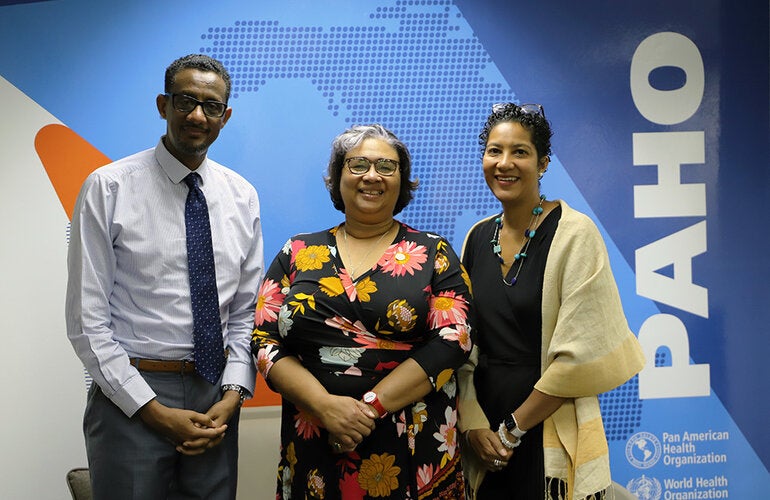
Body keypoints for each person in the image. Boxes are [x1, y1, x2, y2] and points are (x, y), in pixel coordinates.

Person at [66, 54, 264, 499]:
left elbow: (244, 312)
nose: (197, 115)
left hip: (215, 397)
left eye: (211, 106)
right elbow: (87, 322)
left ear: (225, 117)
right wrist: (152, 410)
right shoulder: (109, 186)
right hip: (131, 396)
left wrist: (232, 394)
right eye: (185, 101)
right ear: (163, 104)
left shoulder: (242, 196)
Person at [252, 124, 473, 499]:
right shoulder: (298, 252)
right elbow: (264, 341)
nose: (372, 175)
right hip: (314, 440)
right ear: (338, 178)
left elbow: (454, 340)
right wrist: (326, 407)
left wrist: (368, 409)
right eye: (358, 165)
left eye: (386, 167)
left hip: (413, 444)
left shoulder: (433, 252)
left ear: (402, 182)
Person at [457, 103, 645, 500]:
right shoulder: (476, 237)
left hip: (545, 430)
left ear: (543, 164)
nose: (504, 163)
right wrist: (474, 425)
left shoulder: (576, 234)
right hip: (482, 436)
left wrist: (511, 430)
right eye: (494, 151)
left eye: (520, 152)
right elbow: (463, 345)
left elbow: (579, 356)